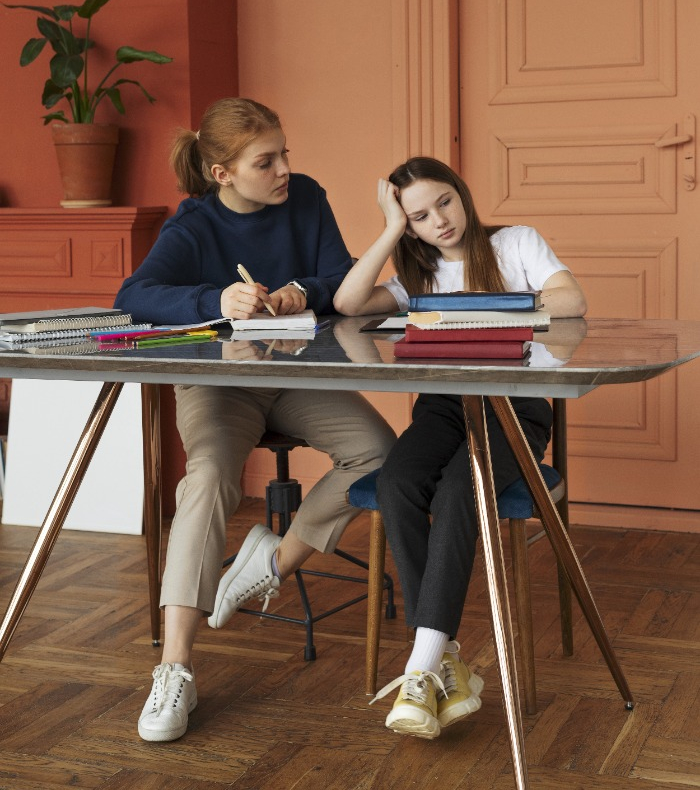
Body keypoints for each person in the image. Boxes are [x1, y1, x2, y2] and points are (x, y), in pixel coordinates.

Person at [115, 97, 396, 743]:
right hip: (221, 385)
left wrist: (305, 290)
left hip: (295, 377)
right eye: (265, 162)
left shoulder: (307, 198)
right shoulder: (193, 224)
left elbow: (339, 275)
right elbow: (133, 296)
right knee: (210, 477)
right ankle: (175, 669)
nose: (283, 170)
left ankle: (272, 562)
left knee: (381, 452)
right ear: (223, 173)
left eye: (283, 154)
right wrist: (215, 297)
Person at [333, 156, 586, 740]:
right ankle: (442, 656)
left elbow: (571, 300)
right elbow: (349, 304)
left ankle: (421, 667)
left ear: (462, 193)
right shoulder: (417, 275)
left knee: (457, 491)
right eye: (419, 216)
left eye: (444, 202)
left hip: (515, 406)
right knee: (397, 482)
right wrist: (390, 230)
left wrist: (478, 314)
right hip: (443, 407)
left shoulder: (514, 243)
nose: (439, 221)